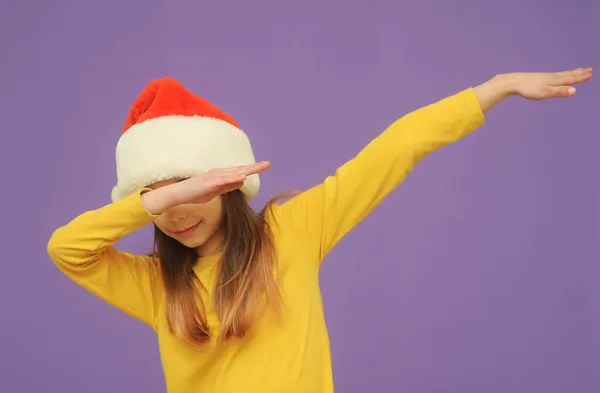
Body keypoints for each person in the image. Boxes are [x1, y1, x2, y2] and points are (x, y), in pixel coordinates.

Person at [47, 67, 593, 393]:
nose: (179, 215)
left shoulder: (292, 232)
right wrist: (157, 197)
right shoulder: (157, 285)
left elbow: (392, 152)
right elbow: (66, 249)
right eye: (163, 202)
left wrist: (494, 88)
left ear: (229, 185)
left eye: (196, 190)